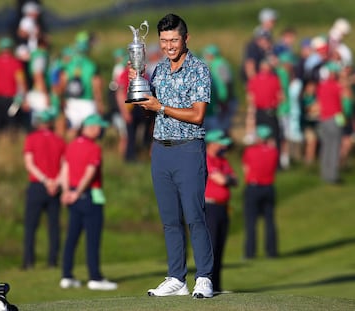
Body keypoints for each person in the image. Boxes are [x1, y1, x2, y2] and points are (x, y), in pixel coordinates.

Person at [130, 13, 214, 298]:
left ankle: (203, 276)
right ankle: (177, 278)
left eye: (174, 40)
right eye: (164, 40)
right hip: (161, 151)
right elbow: (149, 107)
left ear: (185, 39)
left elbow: (198, 115)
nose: (169, 46)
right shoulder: (159, 70)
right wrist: (139, 85)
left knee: (194, 217)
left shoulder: (199, 70)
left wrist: (160, 107)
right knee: (169, 220)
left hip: (188, 149)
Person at [59, 114, 117, 291]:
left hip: (73, 196)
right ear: (91, 128)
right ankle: (95, 277)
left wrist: (66, 191)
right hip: (90, 196)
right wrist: (77, 192)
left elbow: (65, 170)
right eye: (99, 127)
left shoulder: (71, 145)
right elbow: (89, 173)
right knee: (92, 239)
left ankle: (66, 276)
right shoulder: (94, 148)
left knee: (71, 238)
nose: (100, 130)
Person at [22, 110, 65, 269]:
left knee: (31, 226)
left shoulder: (31, 139)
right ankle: (52, 261)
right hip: (55, 186)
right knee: (53, 226)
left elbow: (29, 164)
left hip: (38, 185)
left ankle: (28, 261)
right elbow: (64, 166)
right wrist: (55, 182)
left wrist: (45, 181)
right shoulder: (59, 140)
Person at [204, 129, 237, 294]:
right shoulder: (206, 158)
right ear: (213, 143)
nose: (223, 146)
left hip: (223, 207)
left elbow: (234, 179)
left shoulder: (222, 160)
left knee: (220, 248)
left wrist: (227, 179)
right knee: (211, 248)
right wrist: (227, 179)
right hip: (209, 207)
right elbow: (222, 179)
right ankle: (206, 285)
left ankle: (216, 286)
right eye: (221, 143)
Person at [242, 125, 279, 259]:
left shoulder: (250, 151)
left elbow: (246, 168)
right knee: (269, 221)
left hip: (254, 187)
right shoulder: (273, 151)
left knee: (251, 222)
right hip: (268, 187)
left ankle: (250, 253)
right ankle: (272, 251)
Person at [0, 37, 27, 141]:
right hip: (11, 97)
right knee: (12, 120)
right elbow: (20, 81)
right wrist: (23, 96)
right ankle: (12, 140)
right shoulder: (16, 63)